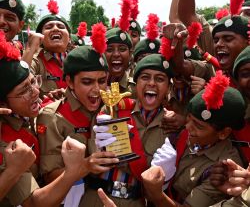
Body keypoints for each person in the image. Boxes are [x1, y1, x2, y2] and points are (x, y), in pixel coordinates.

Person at [0, 33, 95, 206]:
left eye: (33, 82)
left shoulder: (26, 116)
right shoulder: (6, 141)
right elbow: (35, 202)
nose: (36, 92)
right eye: (23, 91)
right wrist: (74, 172)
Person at [36, 23, 119, 207]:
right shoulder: (53, 117)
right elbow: (50, 175)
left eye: (102, 81)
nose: (97, 90)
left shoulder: (111, 108)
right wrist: (86, 166)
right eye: (87, 82)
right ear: (69, 82)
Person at [80, 53, 177, 207]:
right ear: (135, 84)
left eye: (159, 79)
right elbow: (99, 158)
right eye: (145, 77)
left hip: (135, 201)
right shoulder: (114, 109)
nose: (152, 83)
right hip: (96, 197)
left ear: (169, 87)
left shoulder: (172, 125)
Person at [141, 71, 246, 206]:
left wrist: (157, 195)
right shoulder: (182, 138)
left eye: (199, 126)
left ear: (223, 133)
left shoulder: (224, 169)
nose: (188, 127)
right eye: (189, 119)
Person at [30, 0, 71, 98]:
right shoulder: (35, 61)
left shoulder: (78, 61)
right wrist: (29, 50)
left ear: (69, 38)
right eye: (49, 27)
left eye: (61, 26)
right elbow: (21, 78)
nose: (55, 29)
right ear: (40, 38)